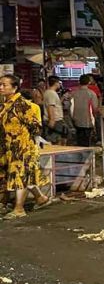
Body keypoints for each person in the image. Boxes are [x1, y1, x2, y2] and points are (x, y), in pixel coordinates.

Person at [0, 74, 50, 218]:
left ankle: (19, 209)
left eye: (4, 85)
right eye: (0, 84)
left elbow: (35, 127)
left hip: (22, 148)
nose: (1, 87)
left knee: (19, 176)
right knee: (22, 177)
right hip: (9, 148)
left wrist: (27, 141)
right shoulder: (5, 104)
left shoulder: (22, 104)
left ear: (15, 88)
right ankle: (41, 199)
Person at [71, 74, 100, 147]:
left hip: (76, 121)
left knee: (79, 141)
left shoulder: (74, 93)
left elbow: (69, 106)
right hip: (88, 121)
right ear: (89, 82)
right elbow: (95, 108)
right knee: (87, 142)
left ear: (79, 82)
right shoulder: (91, 93)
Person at [43, 75, 67, 145]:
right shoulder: (51, 93)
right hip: (55, 120)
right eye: (59, 83)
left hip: (56, 120)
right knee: (55, 141)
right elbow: (51, 106)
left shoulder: (50, 92)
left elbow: (55, 105)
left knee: (58, 140)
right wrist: (52, 120)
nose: (60, 84)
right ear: (56, 83)